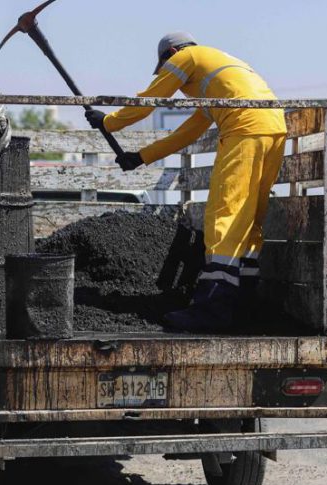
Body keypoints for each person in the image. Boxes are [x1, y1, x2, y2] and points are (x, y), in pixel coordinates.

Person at [85, 32, 288, 332]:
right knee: (249, 219)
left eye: (166, 66)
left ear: (173, 52)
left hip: (244, 128)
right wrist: (141, 156)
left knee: (224, 215)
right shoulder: (222, 74)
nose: (179, 86)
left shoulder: (186, 57)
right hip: (274, 128)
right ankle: (243, 305)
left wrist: (109, 121)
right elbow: (188, 133)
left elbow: (149, 101)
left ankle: (212, 310)